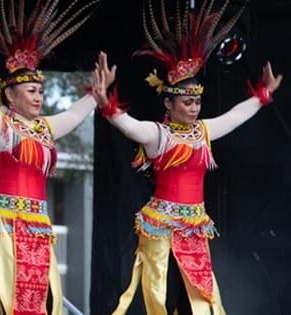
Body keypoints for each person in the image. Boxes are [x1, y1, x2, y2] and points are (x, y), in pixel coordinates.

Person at [103, 1, 284, 314]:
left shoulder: (203, 131)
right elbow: (128, 125)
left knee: (197, 300)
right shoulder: (158, 135)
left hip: (194, 228)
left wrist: (262, 96)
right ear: (169, 104)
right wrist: (106, 103)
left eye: (197, 101)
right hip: (161, 227)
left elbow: (235, 116)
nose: (194, 107)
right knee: (164, 295)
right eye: (187, 102)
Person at [0, 1, 113, 314]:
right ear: (10, 96)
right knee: (3, 301)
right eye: (30, 91)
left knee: (39, 303)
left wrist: (95, 93)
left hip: (37, 226)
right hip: (2, 226)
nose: (39, 97)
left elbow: (73, 114)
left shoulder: (45, 127)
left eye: (40, 91)